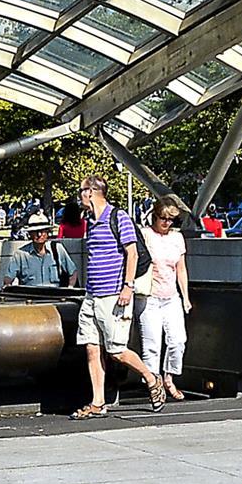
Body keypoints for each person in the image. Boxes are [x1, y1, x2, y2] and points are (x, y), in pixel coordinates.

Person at [72, 175, 163, 418]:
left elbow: (131, 254)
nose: (79, 196)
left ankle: (151, 378)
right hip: (92, 295)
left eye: (81, 191)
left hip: (114, 295)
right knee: (92, 348)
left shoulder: (118, 217)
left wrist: (128, 286)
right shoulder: (90, 221)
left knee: (116, 350)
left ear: (91, 192)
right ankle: (98, 402)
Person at [137, 198, 192, 401]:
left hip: (171, 297)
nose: (167, 223)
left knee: (178, 340)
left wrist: (185, 296)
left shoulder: (177, 238)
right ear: (155, 216)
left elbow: (181, 268)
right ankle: (155, 384)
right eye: (163, 218)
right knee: (152, 344)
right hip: (149, 297)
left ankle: (169, 376)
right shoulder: (145, 235)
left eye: (171, 220)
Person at [4, 215, 74, 288]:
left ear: (47, 233)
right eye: (35, 232)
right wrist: (8, 284)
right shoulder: (20, 254)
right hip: (30, 296)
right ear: (30, 234)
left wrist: (70, 287)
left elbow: (72, 272)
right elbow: (9, 277)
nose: (39, 235)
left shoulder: (58, 249)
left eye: (42, 231)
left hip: (54, 295)